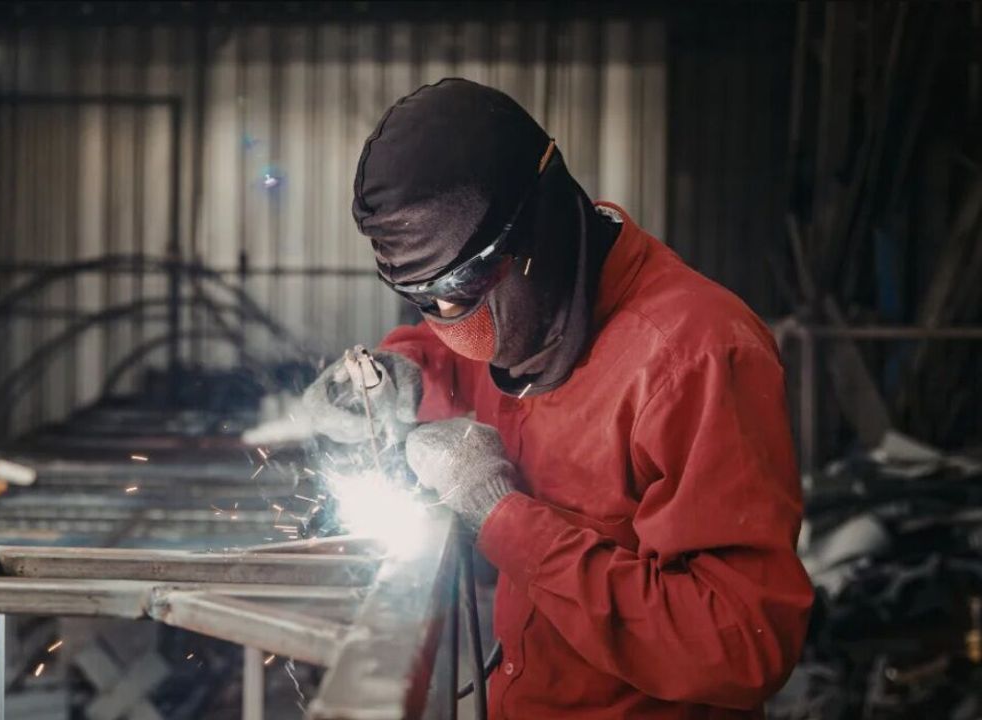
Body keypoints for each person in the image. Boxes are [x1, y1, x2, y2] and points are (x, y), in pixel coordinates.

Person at [302, 78, 814, 719]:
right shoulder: (532, 308)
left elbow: (742, 645)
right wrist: (401, 370)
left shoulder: (695, 356)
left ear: (534, 236)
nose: (451, 325)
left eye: (456, 295)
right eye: (420, 299)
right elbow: (462, 356)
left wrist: (501, 516)